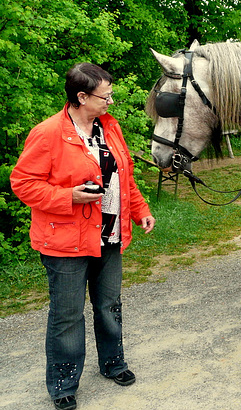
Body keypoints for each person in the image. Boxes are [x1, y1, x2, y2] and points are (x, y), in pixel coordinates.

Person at [10, 63, 156, 410]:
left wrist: (141, 210)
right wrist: (67, 197)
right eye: (105, 96)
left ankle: (113, 363)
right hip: (65, 243)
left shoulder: (109, 127)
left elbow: (125, 177)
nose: (110, 101)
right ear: (81, 96)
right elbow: (23, 183)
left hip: (109, 236)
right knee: (67, 315)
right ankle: (62, 383)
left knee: (108, 305)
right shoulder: (48, 133)